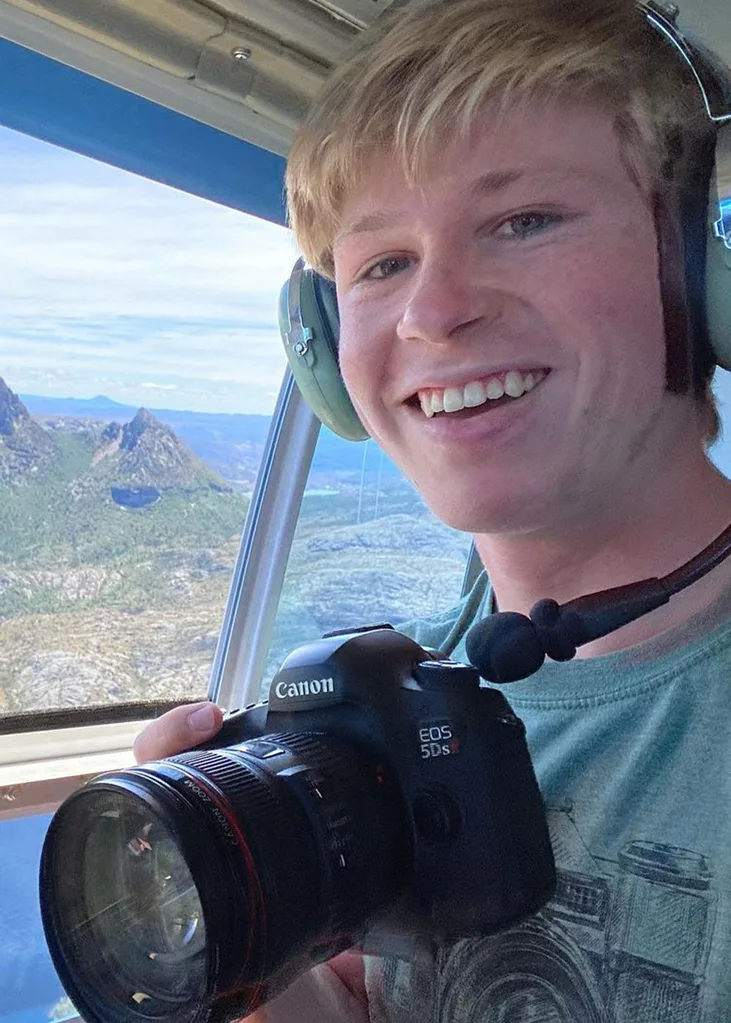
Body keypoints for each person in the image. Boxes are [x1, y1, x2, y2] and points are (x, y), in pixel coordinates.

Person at [134, 0, 731, 1019]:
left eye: (523, 220)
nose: (432, 311)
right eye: (381, 263)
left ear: (702, 266)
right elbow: (378, 1001)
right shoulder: (408, 686)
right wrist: (247, 942)